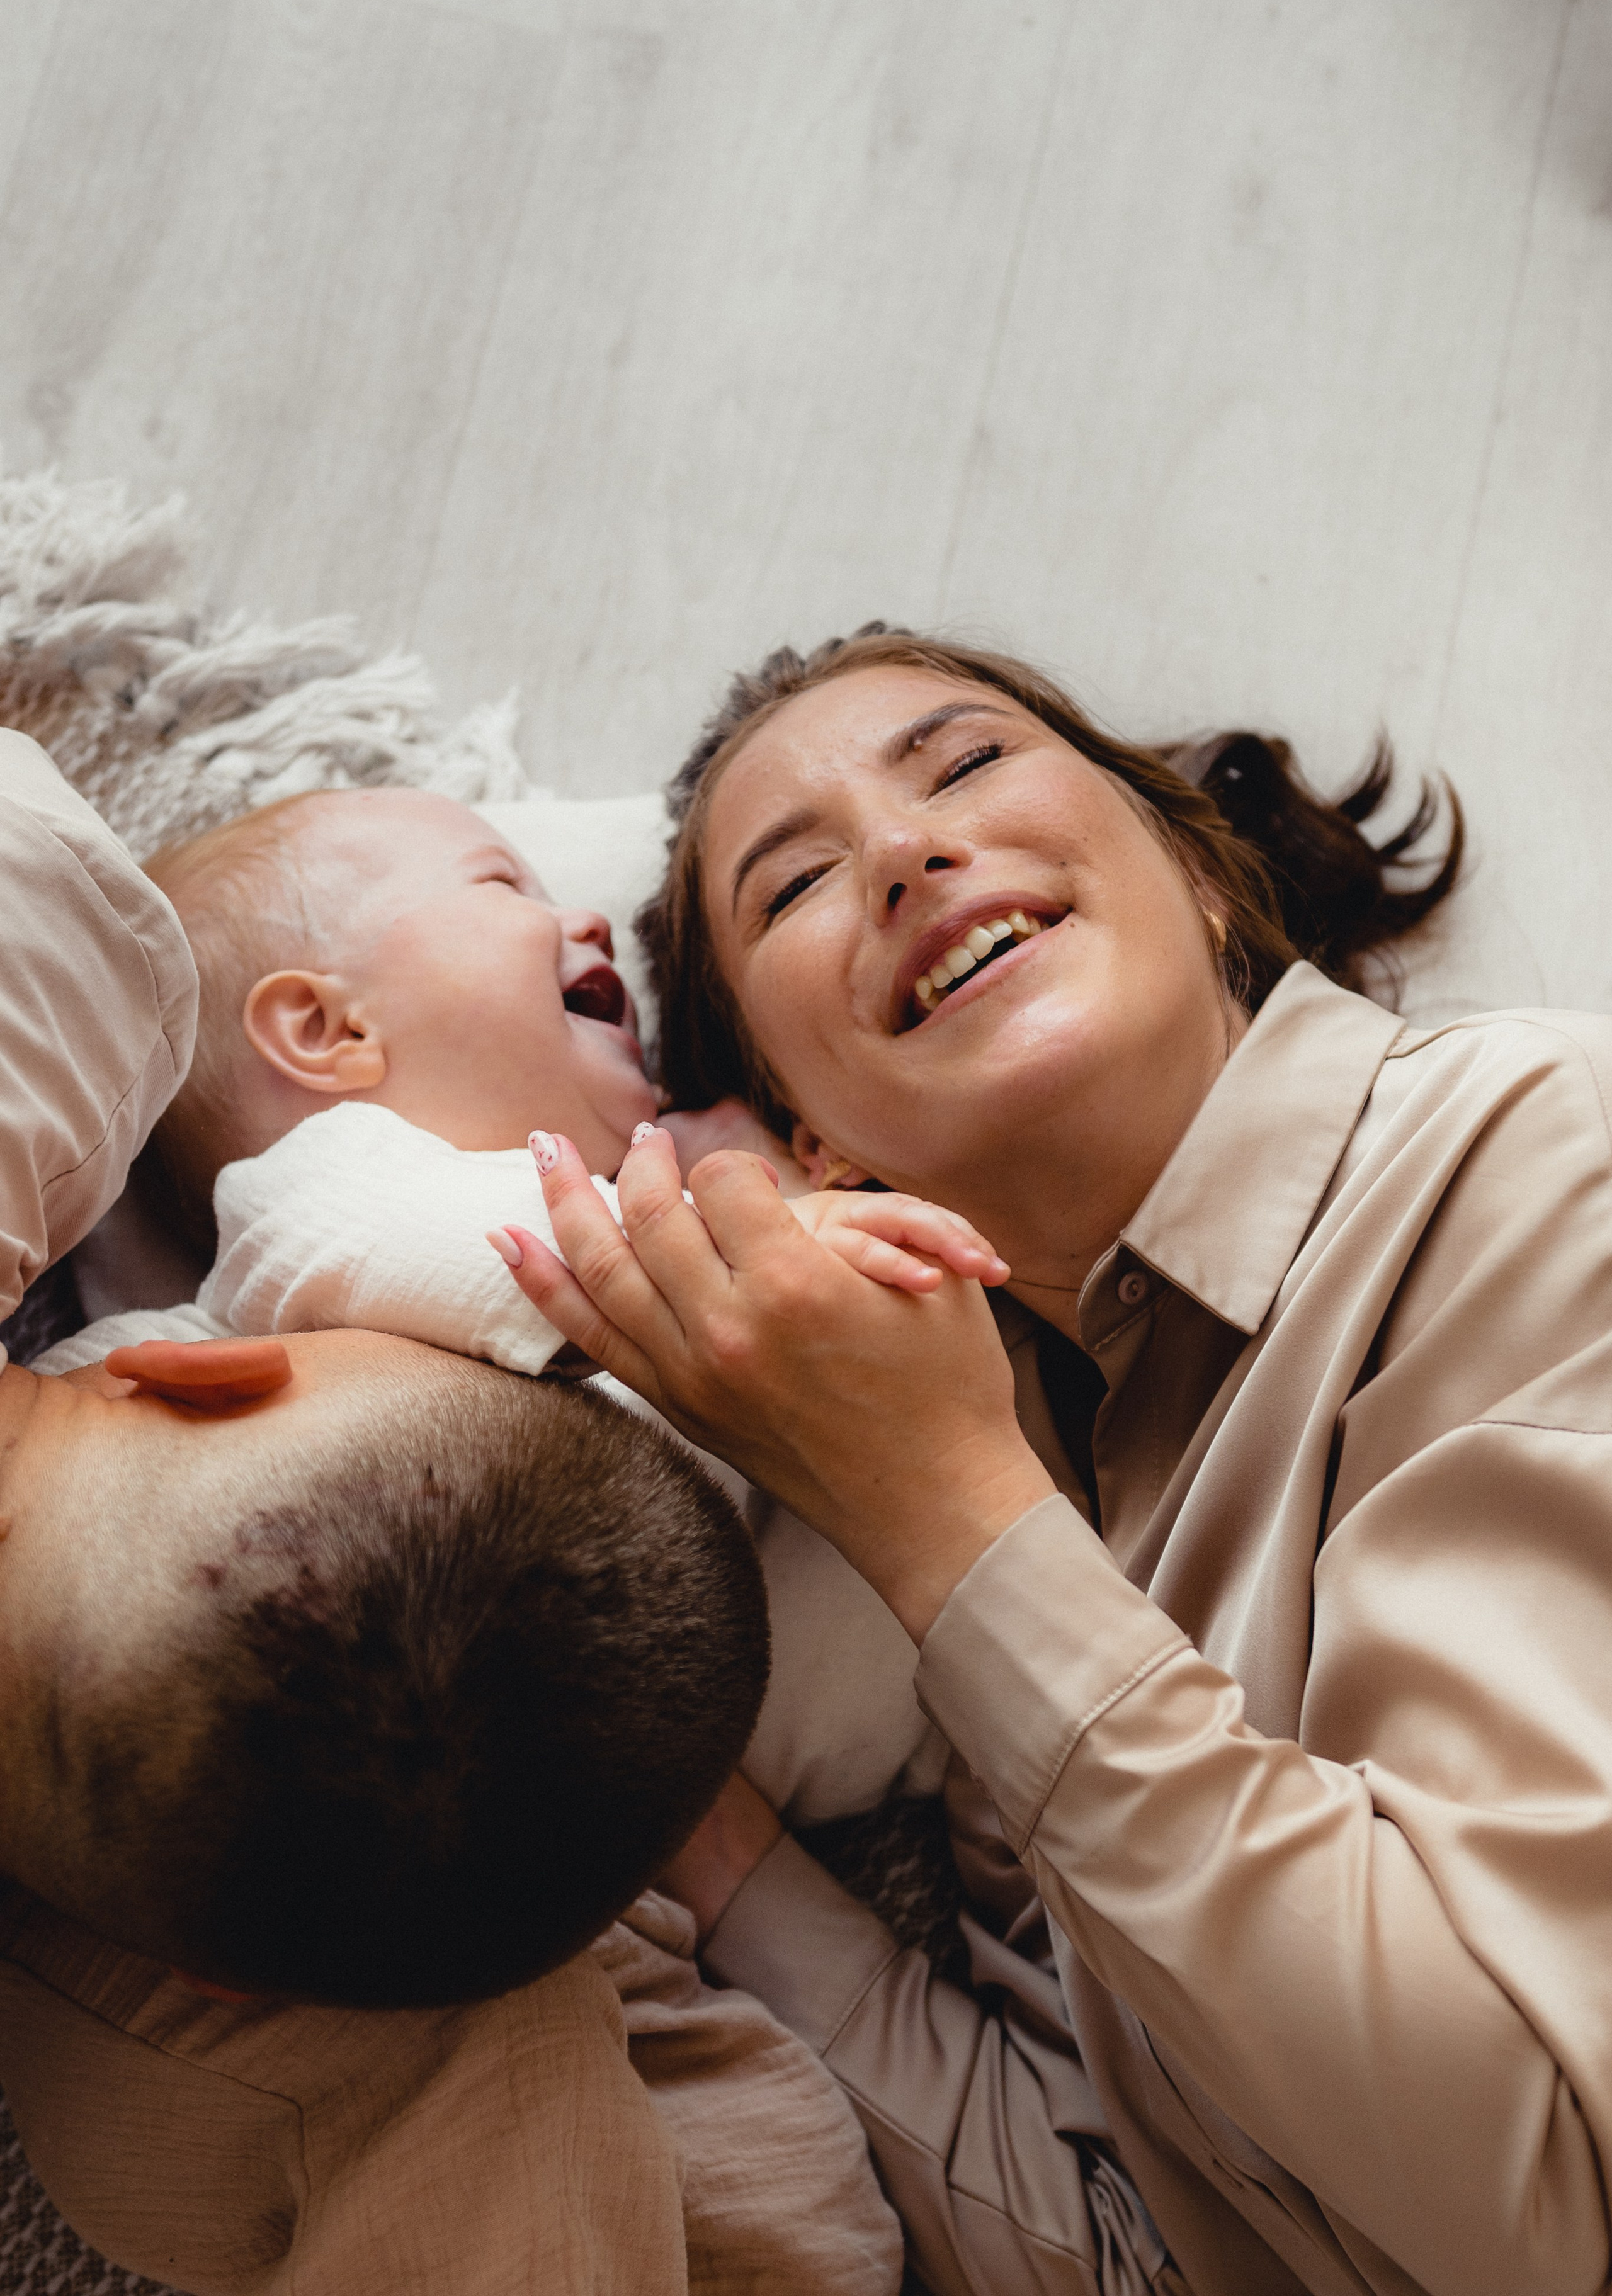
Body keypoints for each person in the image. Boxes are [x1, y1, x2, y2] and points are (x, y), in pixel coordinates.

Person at [496, 624, 1612, 2296]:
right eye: (795, 884)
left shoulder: (1535, 1147)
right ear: (819, 1140)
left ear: (1202, 874)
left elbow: (1533, 2197)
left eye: (965, 764)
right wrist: (723, 1862)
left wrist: (946, 1521)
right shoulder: (1006, 1566)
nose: (902, 852)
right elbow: (1140, 2249)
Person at [0, 725, 870, 2296]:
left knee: (752, 2163)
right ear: (216, 1368)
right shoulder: (310, 1188)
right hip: (313, 1990)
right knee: (528, 2100)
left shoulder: (70, 1021)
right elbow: (345, 1219)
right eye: (499, 878)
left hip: (269, 1911)